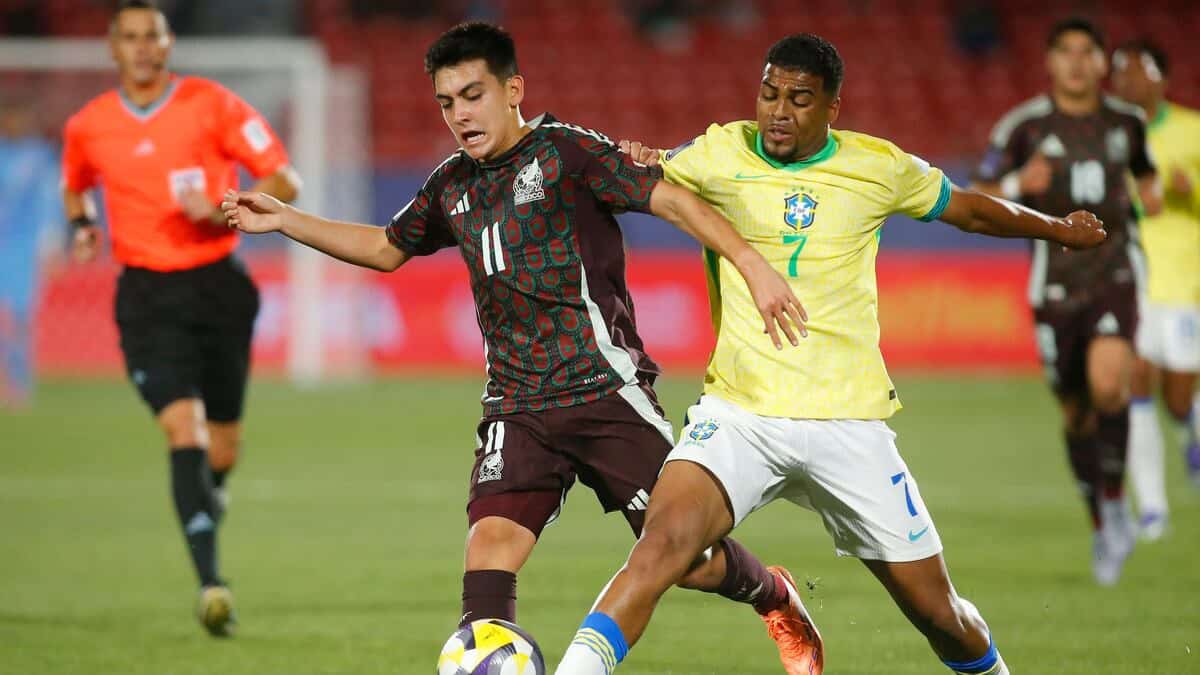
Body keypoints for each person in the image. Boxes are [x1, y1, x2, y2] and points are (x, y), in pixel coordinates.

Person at [223, 21, 817, 663]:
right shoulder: (451, 185)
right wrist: (284, 219)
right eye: (446, 102)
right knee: (489, 550)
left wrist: (752, 267)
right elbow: (385, 247)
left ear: (513, 91)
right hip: (517, 405)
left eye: (472, 95)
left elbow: (673, 203)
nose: (460, 115)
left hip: (604, 393)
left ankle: (774, 594)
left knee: (690, 560)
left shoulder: (568, 153)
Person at [554, 32, 1107, 675]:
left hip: (848, 424)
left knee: (941, 617)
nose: (778, 112)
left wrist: (1056, 229)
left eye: (798, 99)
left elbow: (971, 211)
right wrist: (625, 156)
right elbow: (636, 173)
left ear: (831, 107)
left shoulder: (877, 166)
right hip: (742, 415)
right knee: (660, 550)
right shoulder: (718, 152)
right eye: (769, 94)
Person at [61, 0, 301, 636]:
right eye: (130, 37)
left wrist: (223, 208)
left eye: (153, 36)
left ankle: (207, 493)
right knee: (183, 429)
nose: (142, 47)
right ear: (113, 47)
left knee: (223, 446)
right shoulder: (89, 125)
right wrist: (83, 223)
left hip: (218, 289)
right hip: (146, 298)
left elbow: (285, 180)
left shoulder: (212, 105)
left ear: (169, 45)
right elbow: (75, 183)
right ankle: (211, 584)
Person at [973, 18, 1162, 585]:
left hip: (1115, 274)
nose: (1077, 63)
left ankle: (1115, 502)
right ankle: (1100, 519)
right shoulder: (1024, 127)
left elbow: (1147, 181)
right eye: (1066, 52)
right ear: (1050, 62)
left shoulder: (1127, 123)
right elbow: (977, 194)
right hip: (1053, 286)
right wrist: (1018, 185)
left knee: (1109, 386)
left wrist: (1154, 196)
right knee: (1077, 412)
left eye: (1088, 52)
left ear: (1102, 62)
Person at [1111, 37, 1200, 538]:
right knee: (1136, 382)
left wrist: (1192, 189)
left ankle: (1191, 429)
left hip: (1185, 281)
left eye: (1137, 70)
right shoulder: (1110, 133)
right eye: (1119, 71)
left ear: (1162, 77)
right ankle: (1152, 506)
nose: (1126, 80)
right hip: (1129, 278)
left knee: (1180, 397)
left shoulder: (1193, 130)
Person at [0, 97, 63, 408]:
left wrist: (51, 244)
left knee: (22, 317)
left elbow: (50, 201)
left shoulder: (40, 157)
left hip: (23, 248)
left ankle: (20, 379)